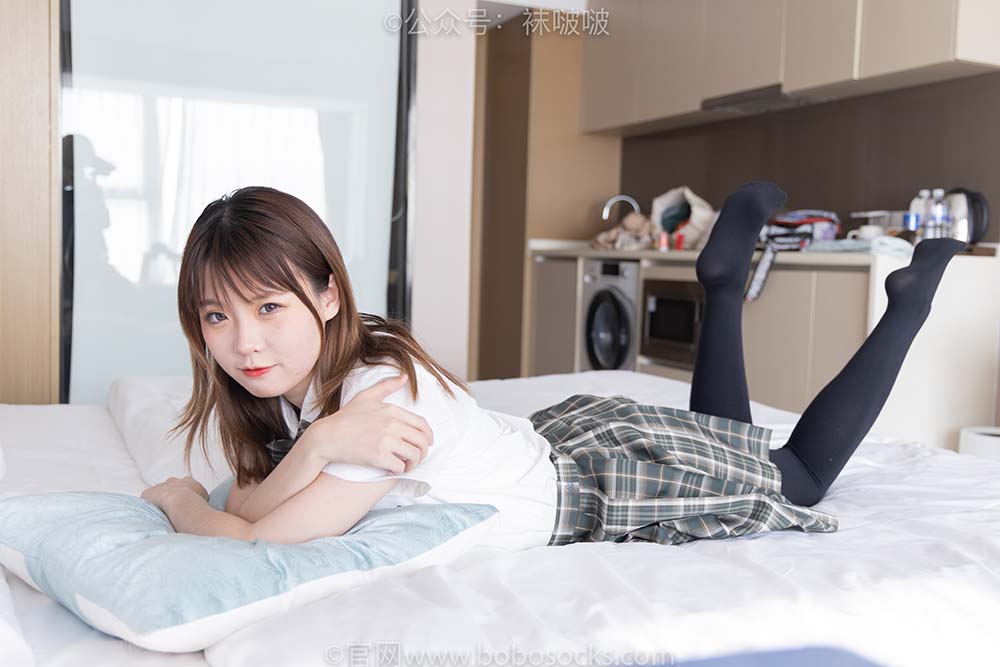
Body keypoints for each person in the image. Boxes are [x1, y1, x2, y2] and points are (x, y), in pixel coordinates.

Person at [141, 183, 967, 550]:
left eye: (268, 307)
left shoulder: (380, 396)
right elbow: (249, 501)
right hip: (561, 443)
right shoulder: (311, 397)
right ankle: (721, 284)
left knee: (799, 479)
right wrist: (317, 446)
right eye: (217, 316)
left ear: (327, 295)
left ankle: (907, 306)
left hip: (594, 484)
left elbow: (257, 537)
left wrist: (180, 501)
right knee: (724, 440)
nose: (245, 344)